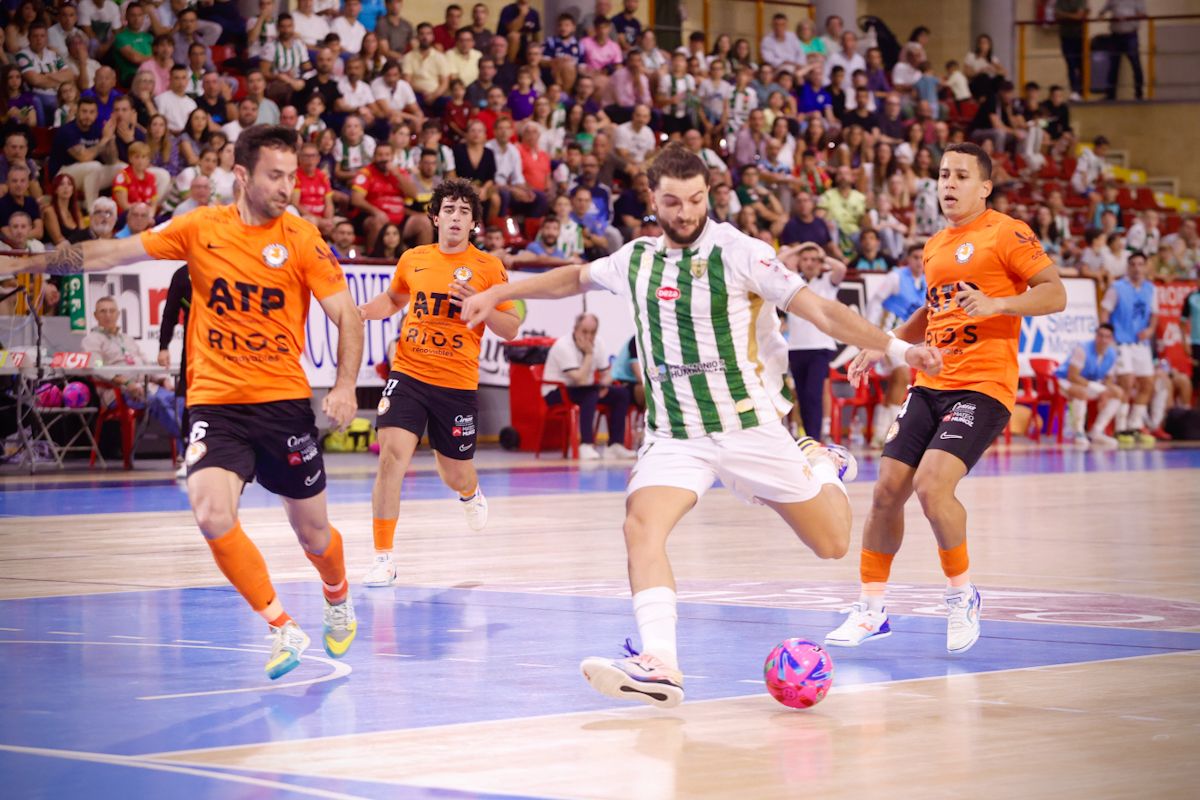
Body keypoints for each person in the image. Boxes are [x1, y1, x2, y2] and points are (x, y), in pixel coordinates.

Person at [460, 144, 942, 708]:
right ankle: (661, 662)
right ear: (653, 201)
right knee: (640, 524)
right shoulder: (634, 258)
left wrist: (896, 348)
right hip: (675, 435)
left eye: (695, 200)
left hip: (748, 426)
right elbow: (572, 279)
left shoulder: (743, 253)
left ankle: (821, 463)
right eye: (673, 202)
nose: (686, 212)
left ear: (708, 194)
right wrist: (501, 289)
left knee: (833, 543)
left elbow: (821, 311)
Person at [0, 125, 365, 681]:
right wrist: (27, 263)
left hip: (282, 403)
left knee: (314, 534)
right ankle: (280, 623)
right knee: (212, 512)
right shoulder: (200, 227)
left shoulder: (302, 238)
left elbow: (349, 316)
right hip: (216, 403)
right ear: (241, 175)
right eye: (275, 175)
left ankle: (337, 595)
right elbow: (112, 252)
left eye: (293, 175)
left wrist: (343, 386)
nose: (288, 187)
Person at [825, 142, 1067, 655]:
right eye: (942, 175)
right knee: (887, 490)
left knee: (934, 487)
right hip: (931, 383)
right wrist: (882, 345)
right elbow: (929, 310)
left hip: (983, 386)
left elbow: (1054, 291)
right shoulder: (936, 244)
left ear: (985, 187)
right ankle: (871, 609)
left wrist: (997, 302)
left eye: (960, 175)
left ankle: (962, 597)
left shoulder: (1007, 232)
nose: (948, 184)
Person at [356, 178, 521, 587]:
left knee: (454, 472)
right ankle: (383, 557)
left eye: (465, 211)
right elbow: (393, 300)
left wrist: (479, 308)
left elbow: (512, 328)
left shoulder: (489, 267)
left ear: (473, 224)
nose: (456, 216)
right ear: (435, 216)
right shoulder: (413, 258)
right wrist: (360, 312)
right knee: (392, 456)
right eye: (449, 209)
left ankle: (470, 493)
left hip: (457, 383)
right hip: (409, 372)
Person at [82, 294, 182, 443]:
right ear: (95, 315)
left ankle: (185, 450)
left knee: (179, 400)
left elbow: (145, 364)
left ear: (118, 314)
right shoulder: (91, 340)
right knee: (157, 401)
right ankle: (187, 441)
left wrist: (162, 380)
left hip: (146, 386)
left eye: (111, 311)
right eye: (103, 311)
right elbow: (97, 367)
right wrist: (127, 383)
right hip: (118, 392)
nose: (108, 315)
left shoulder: (127, 339)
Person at [542, 312, 635, 460]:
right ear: (575, 329)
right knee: (589, 392)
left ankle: (615, 445)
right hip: (556, 391)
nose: (588, 336)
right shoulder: (563, 346)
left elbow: (607, 372)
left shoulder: (599, 342)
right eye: (584, 331)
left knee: (621, 393)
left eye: (593, 332)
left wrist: (604, 385)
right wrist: (589, 353)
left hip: (586, 389)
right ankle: (586, 444)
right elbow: (580, 379)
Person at [863, 243, 929, 446]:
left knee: (900, 382)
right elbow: (874, 302)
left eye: (922, 257)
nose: (919, 261)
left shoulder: (928, 280)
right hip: (888, 336)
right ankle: (886, 433)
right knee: (901, 376)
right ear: (907, 259)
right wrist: (872, 334)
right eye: (915, 257)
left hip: (911, 340)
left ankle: (882, 433)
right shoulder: (895, 277)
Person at [783, 243, 846, 438]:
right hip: (796, 347)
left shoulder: (827, 281)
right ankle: (807, 436)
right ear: (799, 262)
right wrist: (802, 247)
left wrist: (822, 255)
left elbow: (841, 268)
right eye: (805, 259)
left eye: (813, 260)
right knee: (801, 395)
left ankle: (814, 438)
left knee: (814, 393)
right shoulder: (793, 280)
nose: (809, 263)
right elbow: (778, 259)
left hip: (820, 346)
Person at [1100, 251, 1158, 447]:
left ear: (1146, 266)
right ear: (1128, 267)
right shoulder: (1117, 287)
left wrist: (1150, 329)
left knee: (1147, 384)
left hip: (1140, 344)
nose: (1136, 268)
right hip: (1121, 342)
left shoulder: (1151, 289)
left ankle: (1135, 424)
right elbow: (1105, 313)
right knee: (1126, 383)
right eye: (1133, 264)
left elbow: (1154, 315)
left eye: (1140, 264)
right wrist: (1108, 338)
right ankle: (1120, 426)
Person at [1056, 323, 1124, 448]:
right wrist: (1099, 389)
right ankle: (1079, 432)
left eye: (1107, 337)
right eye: (1100, 336)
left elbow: (1108, 380)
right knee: (1082, 392)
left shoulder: (1112, 354)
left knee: (1118, 392)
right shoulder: (1082, 349)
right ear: (1096, 336)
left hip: (1089, 384)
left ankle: (1097, 431)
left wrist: (1106, 393)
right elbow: (1072, 376)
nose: (1103, 340)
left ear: (1111, 339)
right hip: (1064, 381)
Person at [1100, 0, 1145, 100]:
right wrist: (1106, 17)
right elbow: (1102, 12)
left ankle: (1139, 94)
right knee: (1113, 65)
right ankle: (1110, 95)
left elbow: (1143, 14)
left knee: (1135, 64)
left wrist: (1127, 18)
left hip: (1130, 35)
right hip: (1115, 35)